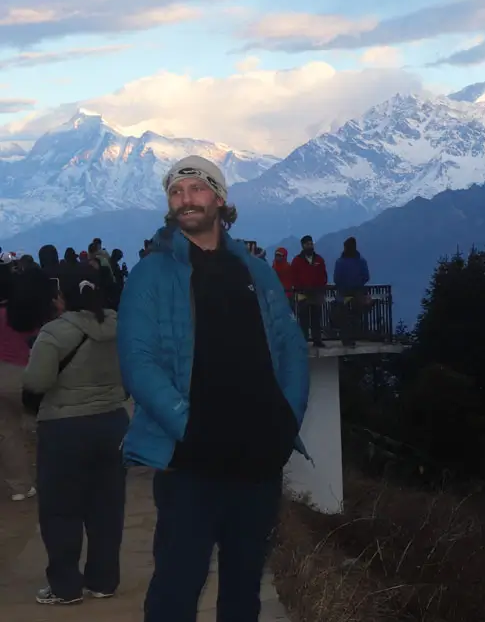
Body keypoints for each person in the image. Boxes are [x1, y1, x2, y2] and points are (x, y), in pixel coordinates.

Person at [118, 155, 310, 622]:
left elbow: (291, 349)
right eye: (176, 192)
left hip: (257, 458)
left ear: (220, 199)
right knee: (176, 588)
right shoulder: (150, 274)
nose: (185, 198)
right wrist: (190, 428)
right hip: (190, 464)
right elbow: (137, 364)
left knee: (244, 589)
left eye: (196, 188)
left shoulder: (256, 271)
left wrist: (286, 422)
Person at [22, 267, 128, 606]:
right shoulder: (120, 327)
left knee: (61, 509)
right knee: (107, 508)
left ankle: (66, 587)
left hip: (64, 428)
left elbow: (36, 383)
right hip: (112, 423)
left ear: (61, 297)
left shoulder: (54, 333)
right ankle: (104, 580)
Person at [0, 252, 39, 502]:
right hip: (28, 373)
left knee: (7, 432)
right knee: (43, 427)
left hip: (1, 377)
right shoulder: (22, 311)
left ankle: (19, 487)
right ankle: (55, 478)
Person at [290, 235, 328, 347]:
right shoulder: (297, 261)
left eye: (311, 244)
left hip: (316, 293)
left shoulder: (319, 260)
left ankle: (317, 340)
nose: (310, 246)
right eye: (307, 244)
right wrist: (299, 288)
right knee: (304, 320)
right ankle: (303, 341)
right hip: (303, 294)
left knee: (316, 318)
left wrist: (321, 285)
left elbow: (323, 275)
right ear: (303, 246)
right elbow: (293, 276)